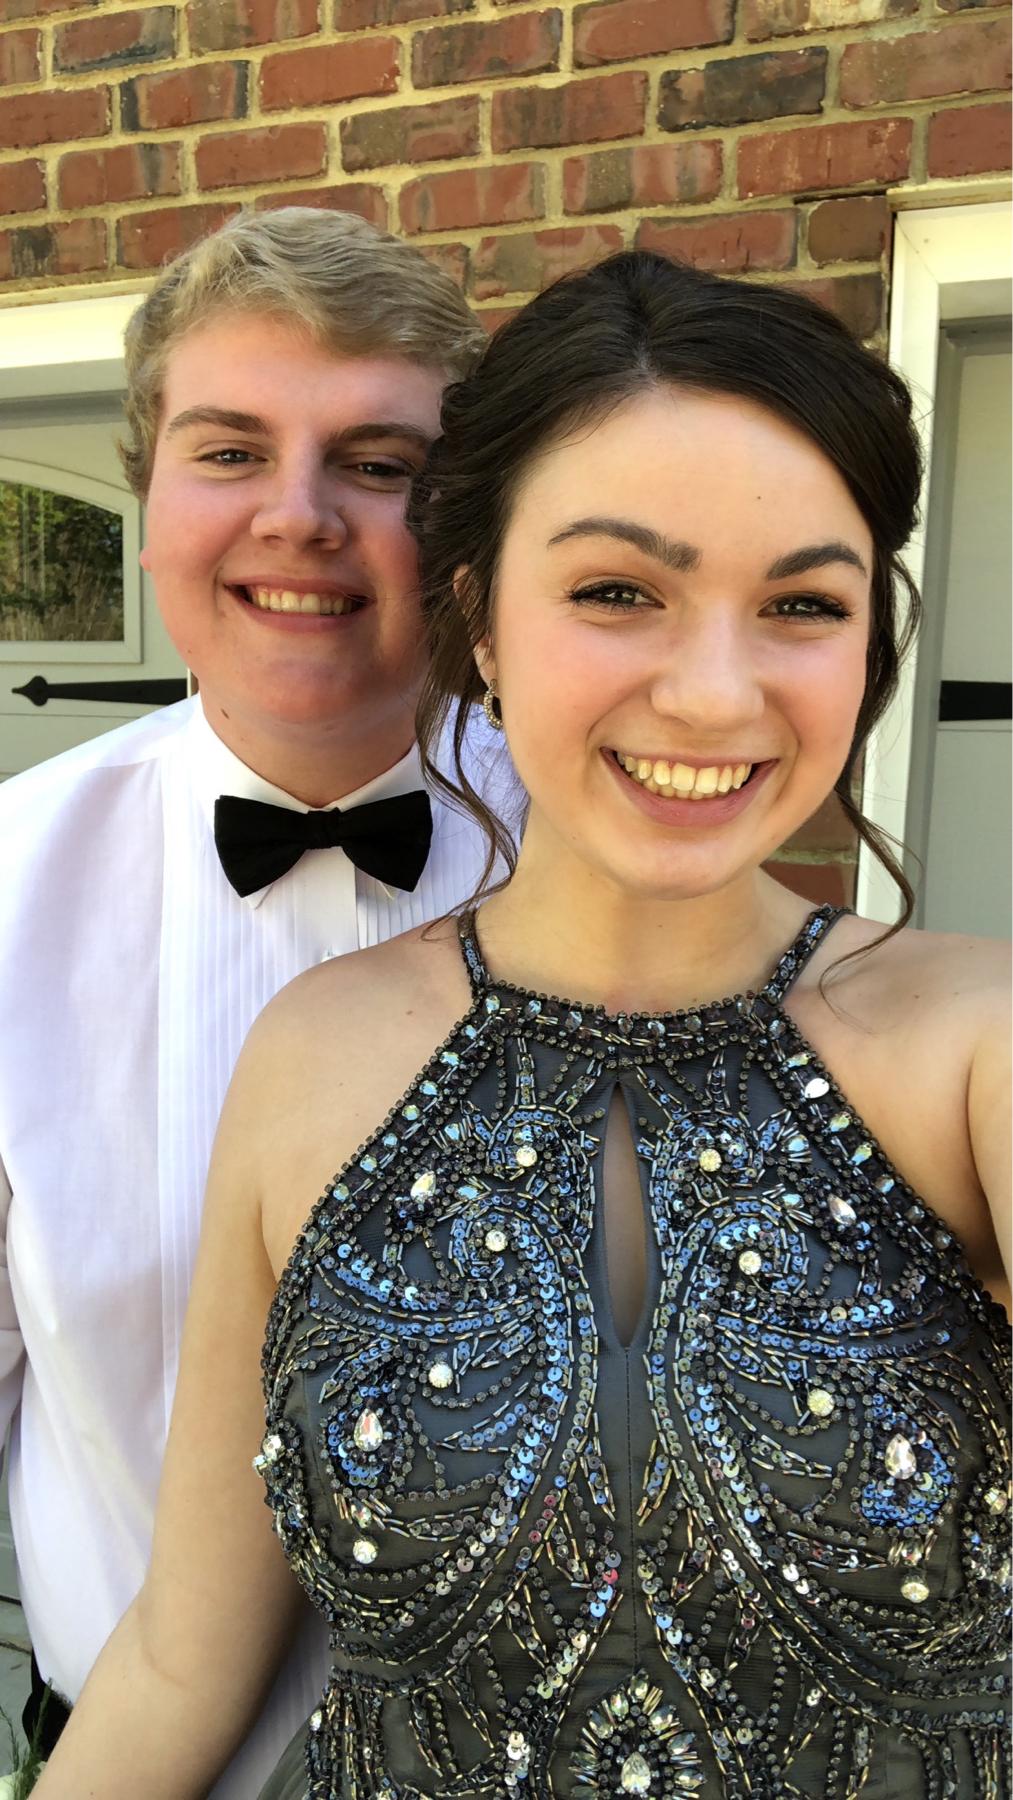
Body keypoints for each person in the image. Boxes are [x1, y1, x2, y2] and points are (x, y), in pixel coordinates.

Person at [37, 250, 1010, 1800]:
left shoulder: (979, 1048)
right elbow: (181, 1656)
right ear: (478, 614)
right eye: (617, 591)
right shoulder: (311, 1054)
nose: (712, 694)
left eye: (799, 604)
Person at [0, 206, 509, 1797]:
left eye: (377, 463)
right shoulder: (4, 885)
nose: (298, 516)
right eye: (229, 451)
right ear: (149, 501)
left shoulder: (620, 866)